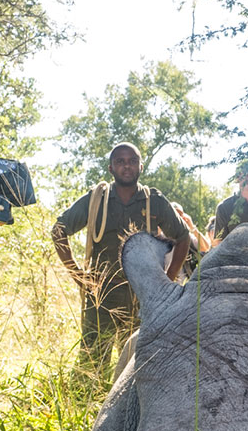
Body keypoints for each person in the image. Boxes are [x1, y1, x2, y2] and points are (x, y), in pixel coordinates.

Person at [53, 143, 189, 366]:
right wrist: (77, 274)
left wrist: (168, 277)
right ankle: (88, 400)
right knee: (92, 364)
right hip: (102, 293)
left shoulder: (154, 201)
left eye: (132, 161)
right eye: (120, 161)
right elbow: (59, 230)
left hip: (142, 295)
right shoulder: (97, 199)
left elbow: (182, 236)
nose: (127, 166)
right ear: (110, 168)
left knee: (139, 364)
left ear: (141, 167)